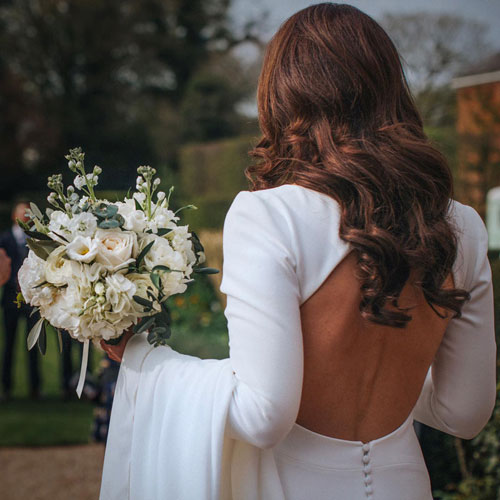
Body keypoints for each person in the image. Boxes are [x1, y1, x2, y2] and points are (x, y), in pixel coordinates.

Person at [100, 4, 497, 499]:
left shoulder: (269, 215)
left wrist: (143, 359)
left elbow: (262, 416)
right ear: (392, 90)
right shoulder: (464, 227)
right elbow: (466, 412)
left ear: (283, 96)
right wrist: (390, 374)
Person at [1, 202, 41, 400]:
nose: (25, 216)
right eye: (22, 213)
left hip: (32, 300)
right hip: (10, 300)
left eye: (28, 213)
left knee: (33, 344)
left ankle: (35, 388)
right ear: (14, 216)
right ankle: (6, 387)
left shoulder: (36, 239)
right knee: (9, 344)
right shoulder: (4, 239)